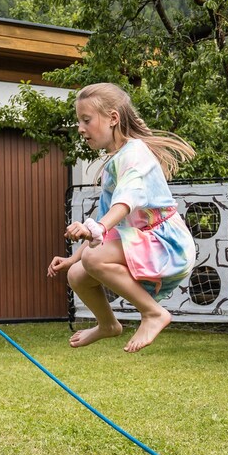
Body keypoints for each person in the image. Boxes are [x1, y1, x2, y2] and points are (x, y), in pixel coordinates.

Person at [48, 82, 197, 353]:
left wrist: (96, 228)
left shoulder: (135, 154)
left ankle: (153, 313)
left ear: (113, 118)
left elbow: (124, 203)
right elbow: (107, 219)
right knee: (78, 275)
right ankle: (108, 325)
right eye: (79, 121)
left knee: (94, 257)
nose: (80, 128)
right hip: (142, 239)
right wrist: (72, 258)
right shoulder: (115, 159)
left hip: (167, 243)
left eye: (86, 120)